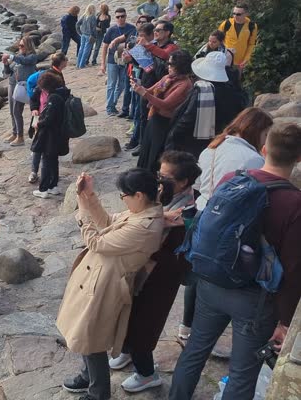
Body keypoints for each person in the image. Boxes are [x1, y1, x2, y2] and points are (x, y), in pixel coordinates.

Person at [170, 123, 301, 400]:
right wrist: (286, 321)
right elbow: (292, 268)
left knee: (195, 351)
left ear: (264, 150)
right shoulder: (294, 203)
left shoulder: (233, 177)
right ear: (299, 158)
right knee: (242, 373)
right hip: (254, 300)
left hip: (211, 282)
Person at [58, 168, 165, 400]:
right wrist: (87, 196)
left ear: (139, 195)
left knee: (91, 339)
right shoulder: (139, 213)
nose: (123, 200)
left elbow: (96, 242)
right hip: (97, 279)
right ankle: (88, 376)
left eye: (124, 196)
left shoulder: (144, 226)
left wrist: (82, 213)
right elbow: (106, 221)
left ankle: (99, 393)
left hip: (106, 287)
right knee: (84, 333)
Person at [108, 151, 200, 393]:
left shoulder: (189, 210)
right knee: (127, 312)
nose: (159, 180)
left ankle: (146, 373)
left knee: (144, 323)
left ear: (184, 182)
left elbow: (169, 247)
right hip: (140, 267)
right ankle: (127, 351)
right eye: (159, 174)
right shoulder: (162, 195)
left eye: (166, 177)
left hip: (160, 276)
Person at [178, 107, 273, 340]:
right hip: (226, 219)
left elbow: (199, 184)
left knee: (197, 269)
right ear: (257, 130)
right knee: (224, 267)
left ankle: (186, 326)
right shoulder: (251, 157)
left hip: (202, 212)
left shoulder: (213, 146)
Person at [165, 51, 248, 159]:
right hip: (220, 141)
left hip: (193, 143)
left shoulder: (202, 89)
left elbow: (188, 118)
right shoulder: (232, 91)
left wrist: (173, 135)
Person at [133, 50, 193, 173]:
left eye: (171, 64)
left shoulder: (184, 84)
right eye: (168, 64)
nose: (168, 67)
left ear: (180, 66)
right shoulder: (167, 78)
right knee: (146, 151)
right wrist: (138, 86)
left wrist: (144, 93)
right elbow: (150, 91)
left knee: (155, 155)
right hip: (155, 118)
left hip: (165, 123)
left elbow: (166, 104)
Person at [27, 53, 67, 184]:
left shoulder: (54, 93)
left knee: (46, 151)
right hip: (40, 117)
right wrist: (34, 109)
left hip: (46, 122)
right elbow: (33, 98)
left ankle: (48, 180)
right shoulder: (46, 81)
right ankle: (34, 171)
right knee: (38, 148)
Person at [31, 72, 70, 199]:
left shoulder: (53, 98)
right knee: (53, 161)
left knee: (47, 161)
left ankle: (43, 189)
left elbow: (49, 119)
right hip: (59, 134)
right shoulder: (62, 94)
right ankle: (53, 186)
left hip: (51, 136)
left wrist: (38, 124)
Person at [123, 22, 157, 153]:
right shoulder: (142, 45)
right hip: (141, 81)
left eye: (142, 35)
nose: (139, 38)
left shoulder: (154, 46)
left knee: (144, 115)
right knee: (139, 114)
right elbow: (139, 63)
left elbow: (153, 66)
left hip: (151, 84)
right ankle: (140, 142)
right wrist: (130, 59)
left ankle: (144, 144)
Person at [1, 40, 39, 146]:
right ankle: (15, 133)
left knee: (17, 111)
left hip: (23, 87)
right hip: (13, 84)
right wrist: (6, 64)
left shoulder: (32, 57)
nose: (20, 47)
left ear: (28, 46)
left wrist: (11, 56)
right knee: (13, 111)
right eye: (19, 45)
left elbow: (25, 61)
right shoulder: (18, 56)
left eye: (22, 45)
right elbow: (8, 72)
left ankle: (20, 137)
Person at [101, 8, 137, 116]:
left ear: (126, 16)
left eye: (122, 16)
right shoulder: (111, 30)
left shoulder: (131, 28)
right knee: (111, 84)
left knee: (121, 84)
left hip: (125, 61)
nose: (120, 18)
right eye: (118, 17)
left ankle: (113, 103)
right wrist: (103, 64)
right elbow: (105, 46)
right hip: (112, 60)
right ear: (115, 17)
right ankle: (109, 107)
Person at [218, 3, 258, 71]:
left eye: (238, 14)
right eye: (234, 13)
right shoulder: (227, 24)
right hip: (224, 59)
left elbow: (251, 44)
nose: (235, 16)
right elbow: (217, 39)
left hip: (239, 62)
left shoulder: (252, 26)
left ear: (246, 14)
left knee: (236, 80)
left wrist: (246, 59)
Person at [76, 4, 98, 69]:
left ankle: (78, 64)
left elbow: (77, 24)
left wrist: (79, 32)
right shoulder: (93, 17)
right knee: (86, 51)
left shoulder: (84, 15)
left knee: (81, 49)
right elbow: (93, 28)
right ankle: (82, 65)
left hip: (83, 34)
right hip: (89, 35)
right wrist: (95, 36)